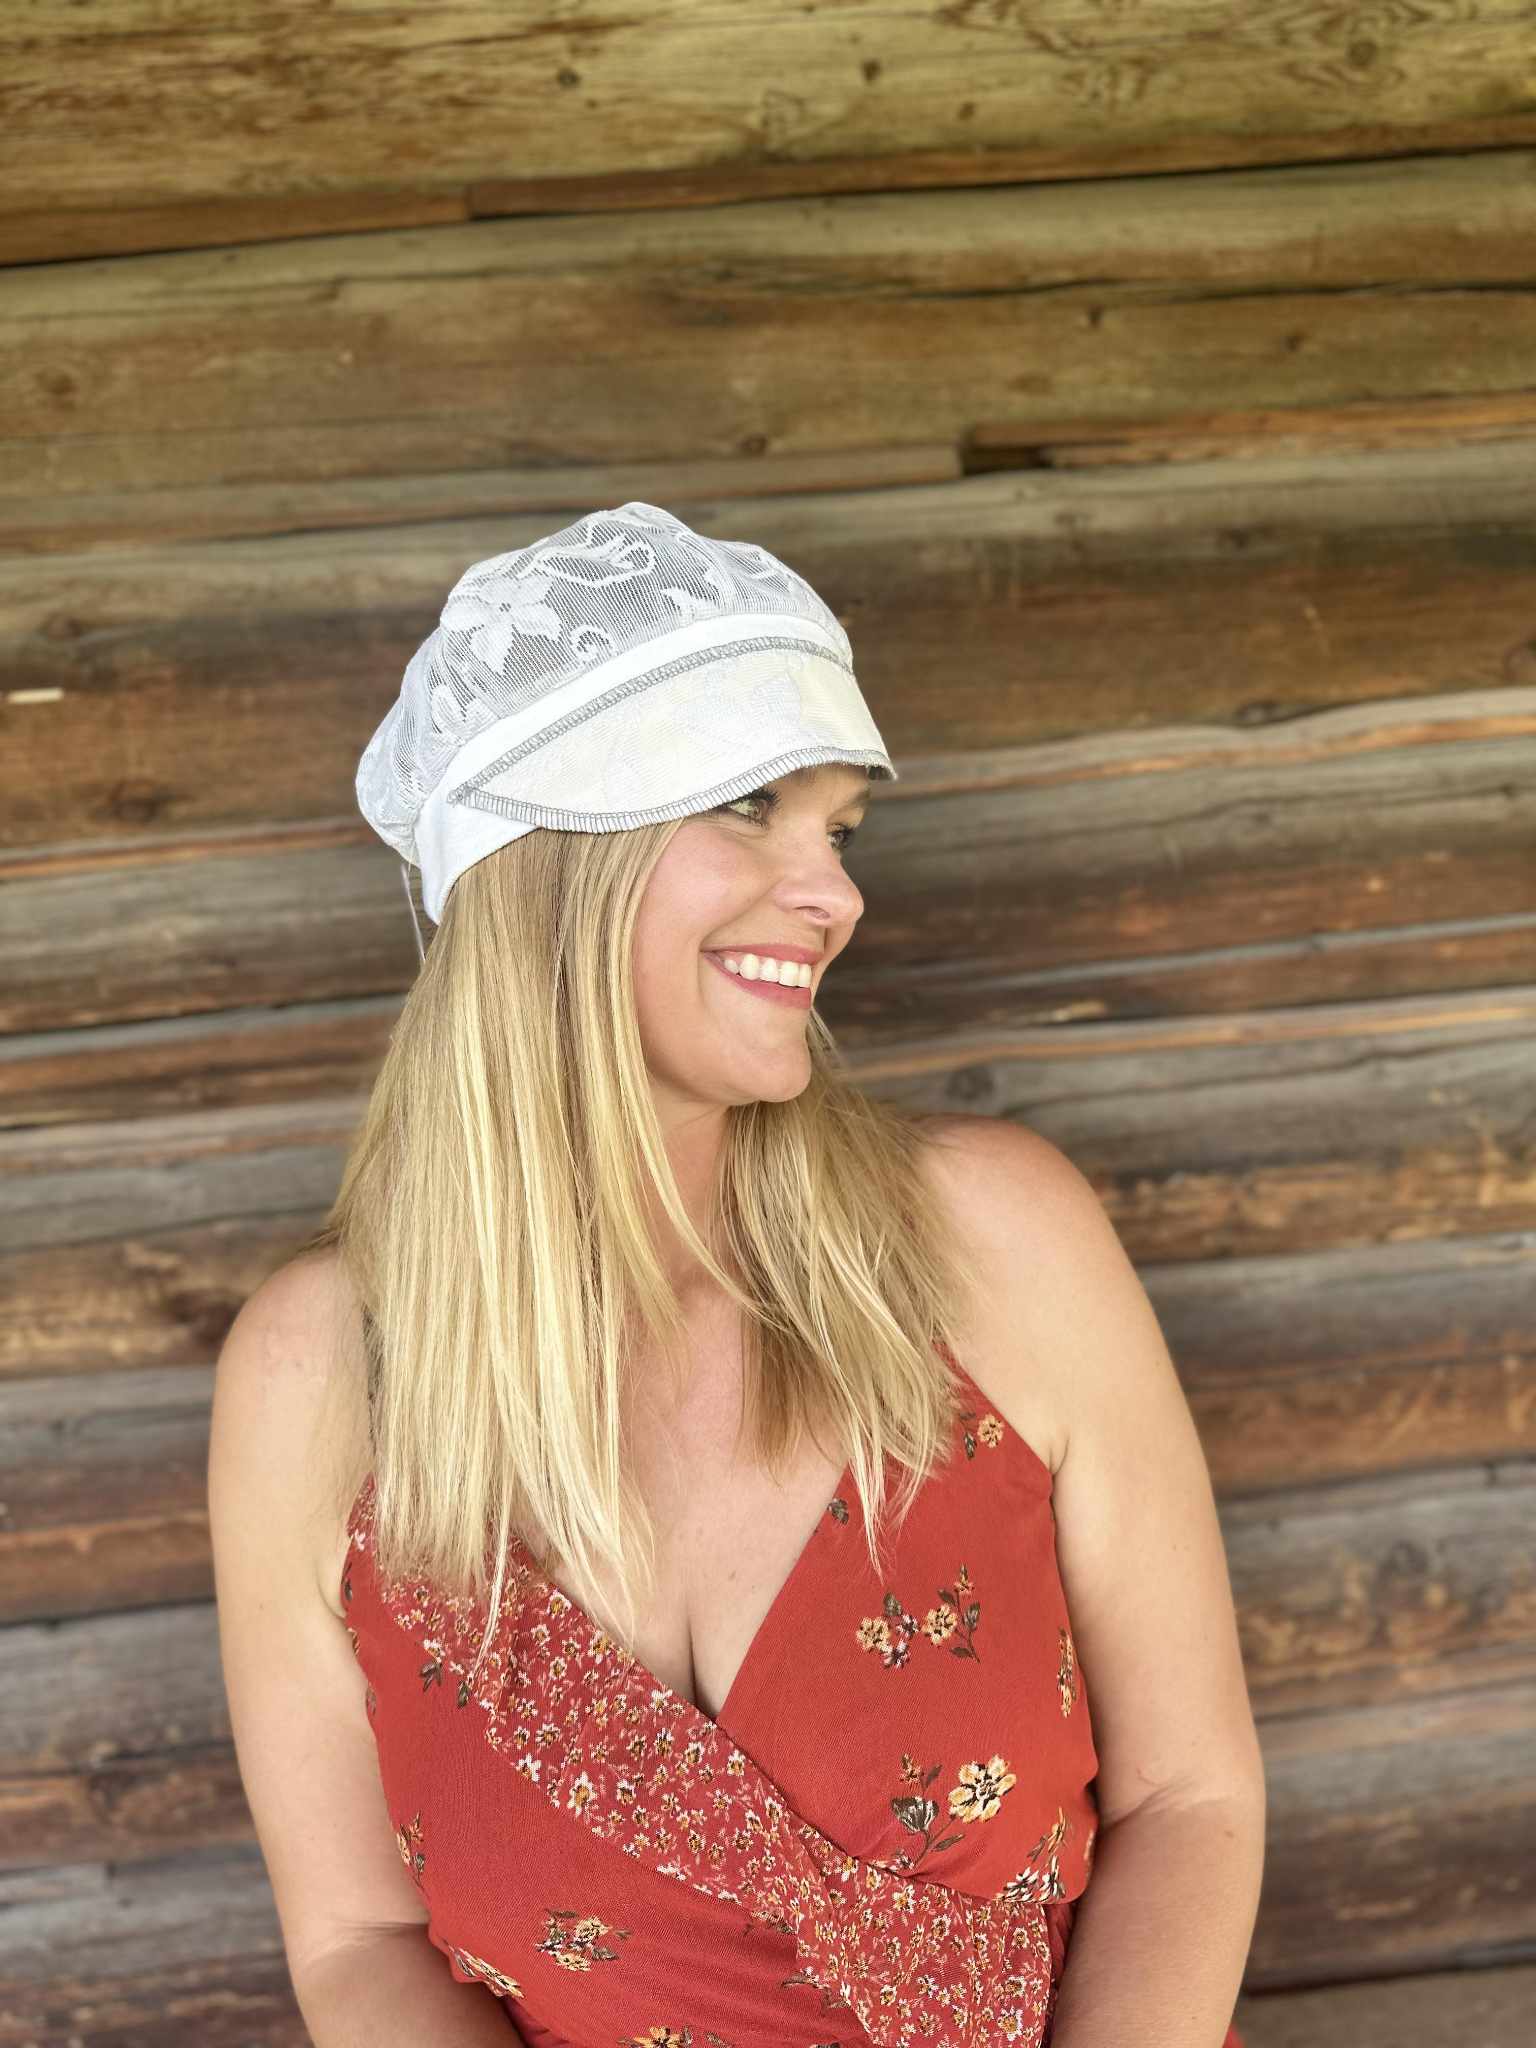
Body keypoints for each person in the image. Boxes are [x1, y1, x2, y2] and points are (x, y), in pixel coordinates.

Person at [208, 502, 1264, 2047]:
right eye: (753, 805)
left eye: (838, 828)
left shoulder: (991, 1243)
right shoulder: (320, 1380)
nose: (835, 895)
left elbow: (1193, 1794)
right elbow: (359, 1939)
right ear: (544, 866)